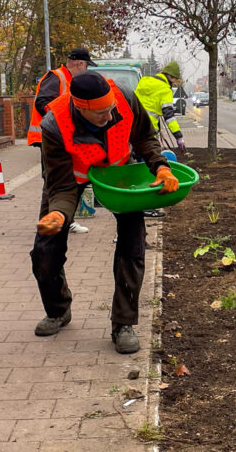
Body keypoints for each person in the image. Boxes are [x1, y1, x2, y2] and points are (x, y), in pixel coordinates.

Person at [31, 72, 179, 354]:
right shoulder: (54, 125)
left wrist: (160, 167)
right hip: (71, 180)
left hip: (119, 174)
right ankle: (58, 310)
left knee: (132, 245)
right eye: (101, 113)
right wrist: (60, 216)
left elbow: (145, 138)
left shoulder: (123, 97)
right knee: (45, 251)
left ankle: (123, 324)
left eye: (111, 109)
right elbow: (60, 186)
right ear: (81, 109)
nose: (110, 117)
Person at [27, 47, 98, 233]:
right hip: (50, 137)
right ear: (80, 64)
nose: (86, 71)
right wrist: (62, 119)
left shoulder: (66, 79)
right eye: (86, 66)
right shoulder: (57, 77)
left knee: (62, 179)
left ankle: (61, 220)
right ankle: (51, 222)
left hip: (59, 137)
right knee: (54, 181)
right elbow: (42, 102)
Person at [135, 60, 187, 218]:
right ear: (170, 77)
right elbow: (169, 115)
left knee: (137, 166)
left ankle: (138, 203)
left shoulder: (144, 81)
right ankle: (146, 205)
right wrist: (178, 136)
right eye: (176, 79)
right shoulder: (165, 89)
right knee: (149, 168)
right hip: (147, 134)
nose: (177, 83)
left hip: (132, 129)